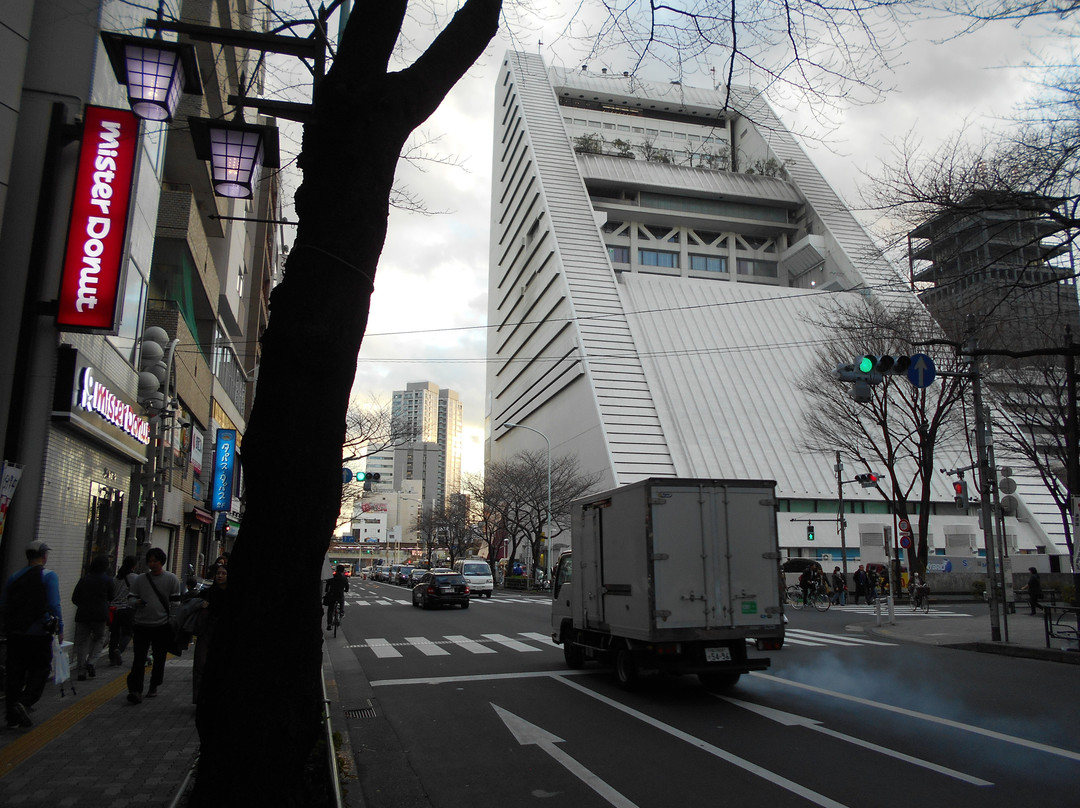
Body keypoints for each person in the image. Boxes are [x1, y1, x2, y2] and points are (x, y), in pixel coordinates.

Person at [0, 540, 63, 729]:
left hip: (16, 633)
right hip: (38, 632)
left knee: (15, 672)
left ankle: (12, 716)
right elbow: (54, 604)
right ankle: (25, 702)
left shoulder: (14, 577)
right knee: (41, 669)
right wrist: (59, 627)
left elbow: (4, 604)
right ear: (44, 556)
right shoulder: (49, 576)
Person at [126, 547, 180, 704]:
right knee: (139, 658)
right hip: (141, 624)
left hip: (162, 625)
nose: (152, 564)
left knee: (159, 657)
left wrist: (172, 619)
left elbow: (175, 603)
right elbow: (130, 598)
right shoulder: (140, 580)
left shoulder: (171, 579)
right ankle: (136, 690)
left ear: (162, 562)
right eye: (150, 561)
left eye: (155, 561)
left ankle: (154, 685)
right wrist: (136, 602)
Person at [71, 555, 115, 681]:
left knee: (82, 642)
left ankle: (81, 671)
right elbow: (111, 597)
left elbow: (74, 598)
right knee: (100, 638)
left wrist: (83, 605)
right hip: (100, 615)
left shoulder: (84, 579)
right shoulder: (107, 580)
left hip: (83, 615)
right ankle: (92, 661)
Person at [192, 564, 228, 704]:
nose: (220, 576)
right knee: (201, 665)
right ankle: (200, 698)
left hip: (224, 633)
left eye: (223, 573)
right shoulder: (207, 593)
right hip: (206, 632)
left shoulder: (233, 594)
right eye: (218, 573)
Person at [108, 555, 137, 666]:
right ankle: (119, 650)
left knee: (114, 634)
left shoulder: (116, 578)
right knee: (127, 633)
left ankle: (112, 658)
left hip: (114, 609)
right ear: (133, 566)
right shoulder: (135, 578)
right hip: (127, 609)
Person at [323, 564, 349, 631]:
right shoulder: (344, 577)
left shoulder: (332, 577)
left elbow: (327, 585)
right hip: (340, 595)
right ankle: (342, 612)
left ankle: (329, 624)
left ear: (336, 570)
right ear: (343, 570)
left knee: (330, 610)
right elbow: (347, 586)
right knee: (342, 601)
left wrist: (326, 591)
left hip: (332, 595)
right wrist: (346, 590)